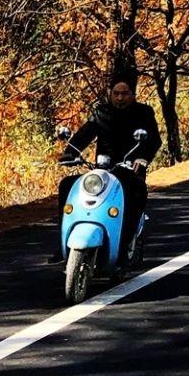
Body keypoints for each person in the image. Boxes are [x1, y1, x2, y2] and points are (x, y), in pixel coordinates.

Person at [54, 69, 162, 262]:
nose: (120, 98)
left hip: (129, 170)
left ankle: (123, 246)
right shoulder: (102, 112)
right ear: (110, 94)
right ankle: (63, 244)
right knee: (67, 185)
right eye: (116, 94)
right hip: (102, 171)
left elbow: (153, 140)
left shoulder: (144, 112)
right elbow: (85, 133)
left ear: (132, 94)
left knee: (136, 191)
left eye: (124, 94)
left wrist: (142, 158)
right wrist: (71, 152)